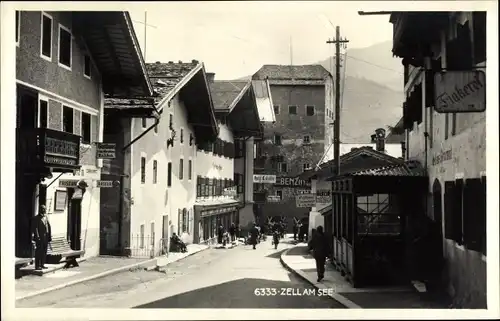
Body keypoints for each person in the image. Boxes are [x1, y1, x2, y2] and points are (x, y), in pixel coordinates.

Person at [32, 205, 52, 270]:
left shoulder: (46, 217)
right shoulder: (36, 218)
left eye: (45, 209)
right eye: (43, 209)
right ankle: (37, 266)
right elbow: (35, 228)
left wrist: (49, 236)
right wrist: (37, 237)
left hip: (45, 237)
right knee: (38, 252)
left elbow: (48, 227)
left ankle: (42, 264)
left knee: (44, 251)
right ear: (40, 210)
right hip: (40, 238)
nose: (44, 210)